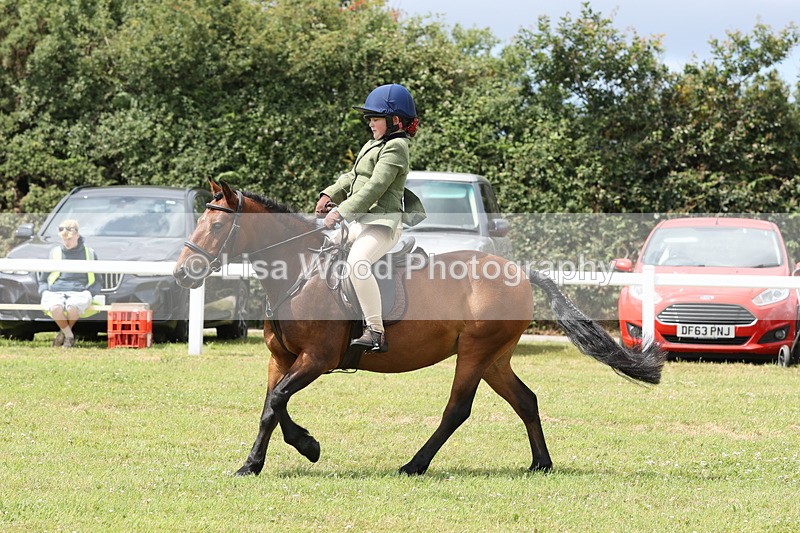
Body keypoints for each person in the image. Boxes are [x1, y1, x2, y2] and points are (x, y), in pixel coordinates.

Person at [316, 83, 426, 353]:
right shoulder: (373, 144)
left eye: (375, 118)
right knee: (324, 252)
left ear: (395, 120)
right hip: (361, 223)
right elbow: (352, 178)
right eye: (369, 118)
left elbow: (375, 186)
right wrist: (327, 194)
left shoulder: (396, 147)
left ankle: (376, 331)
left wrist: (341, 211)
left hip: (382, 225)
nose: (370, 123)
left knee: (357, 264)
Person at [38, 219, 102, 348]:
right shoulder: (55, 252)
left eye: (70, 239)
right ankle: (69, 336)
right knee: (56, 307)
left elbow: (98, 279)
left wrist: (91, 292)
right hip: (55, 290)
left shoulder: (89, 253)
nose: (67, 243)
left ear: (77, 235)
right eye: (64, 240)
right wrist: (44, 291)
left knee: (72, 307)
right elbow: (44, 278)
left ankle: (64, 333)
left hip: (80, 291)